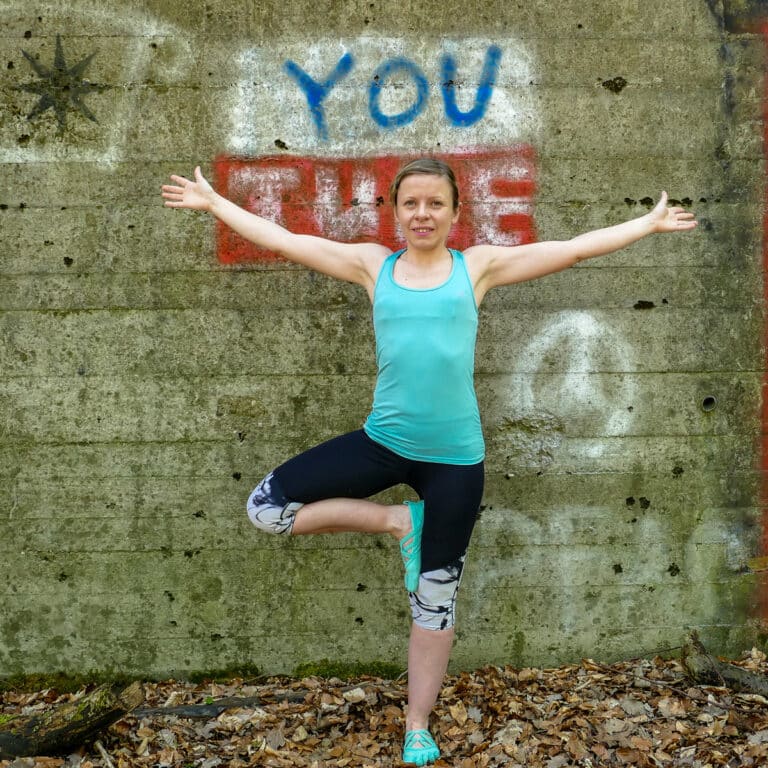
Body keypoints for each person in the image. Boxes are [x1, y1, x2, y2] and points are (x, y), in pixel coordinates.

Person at [162, 158, 697, 765]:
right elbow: (287, 240)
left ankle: (417, 723)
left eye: (435, 203)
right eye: (411, 203)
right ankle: (398, 523)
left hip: (455, 461)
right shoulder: (373, 266)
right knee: (266, 508)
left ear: (455, 213)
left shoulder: (478, 268)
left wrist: (646, 226)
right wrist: (215, 206)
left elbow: (570, 249)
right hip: (382, 443)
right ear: (394, 211)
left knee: (435, 600)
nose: (423, 213)